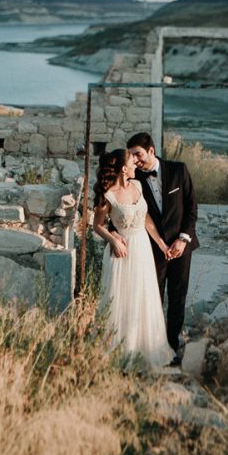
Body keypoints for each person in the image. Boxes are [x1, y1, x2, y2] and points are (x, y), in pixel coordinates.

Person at [92, 148, 175, 368]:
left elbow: (145, 218)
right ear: (123, 169)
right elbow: (96, 225)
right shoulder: (108, 194)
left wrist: (160, 243)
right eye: (132, 161)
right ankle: (121, 353)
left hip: (143, 249)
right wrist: (114, 240)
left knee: (144, 296)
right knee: (122, 299)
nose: (137, 164)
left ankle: (145, 348)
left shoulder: (137, 186)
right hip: (123, 251)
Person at [125, 131, 197, 364]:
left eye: (138, 154)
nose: (135, 160)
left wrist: (183, 239)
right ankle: (154, 348)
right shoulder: (134, 181)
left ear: (151, 151)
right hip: (152, 250)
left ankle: (172, 346)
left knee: (178, 296)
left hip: (181, 247)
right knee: (152, 297)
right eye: (131, 156)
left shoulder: (179, 170)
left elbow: (191, 209)